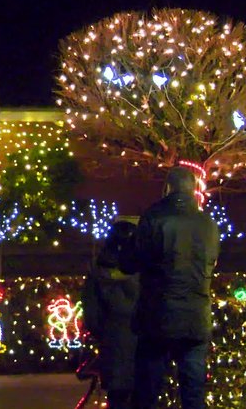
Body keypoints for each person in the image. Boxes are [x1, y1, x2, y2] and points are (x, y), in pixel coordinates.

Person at [131, 167, 220, 409]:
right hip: (196, 314)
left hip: (158, 314)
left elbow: (135, 260)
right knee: (193, 391)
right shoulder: (208, 223)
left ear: (168, 188)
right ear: (194, 190)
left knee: (147, 388)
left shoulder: (154, 217)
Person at [82, 221, 140, 409]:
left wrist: (103, 332)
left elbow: (92, 314)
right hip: (142, 343)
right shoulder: (146, 270)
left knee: (117, 397)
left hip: (113, 340)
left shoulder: (98, 270)